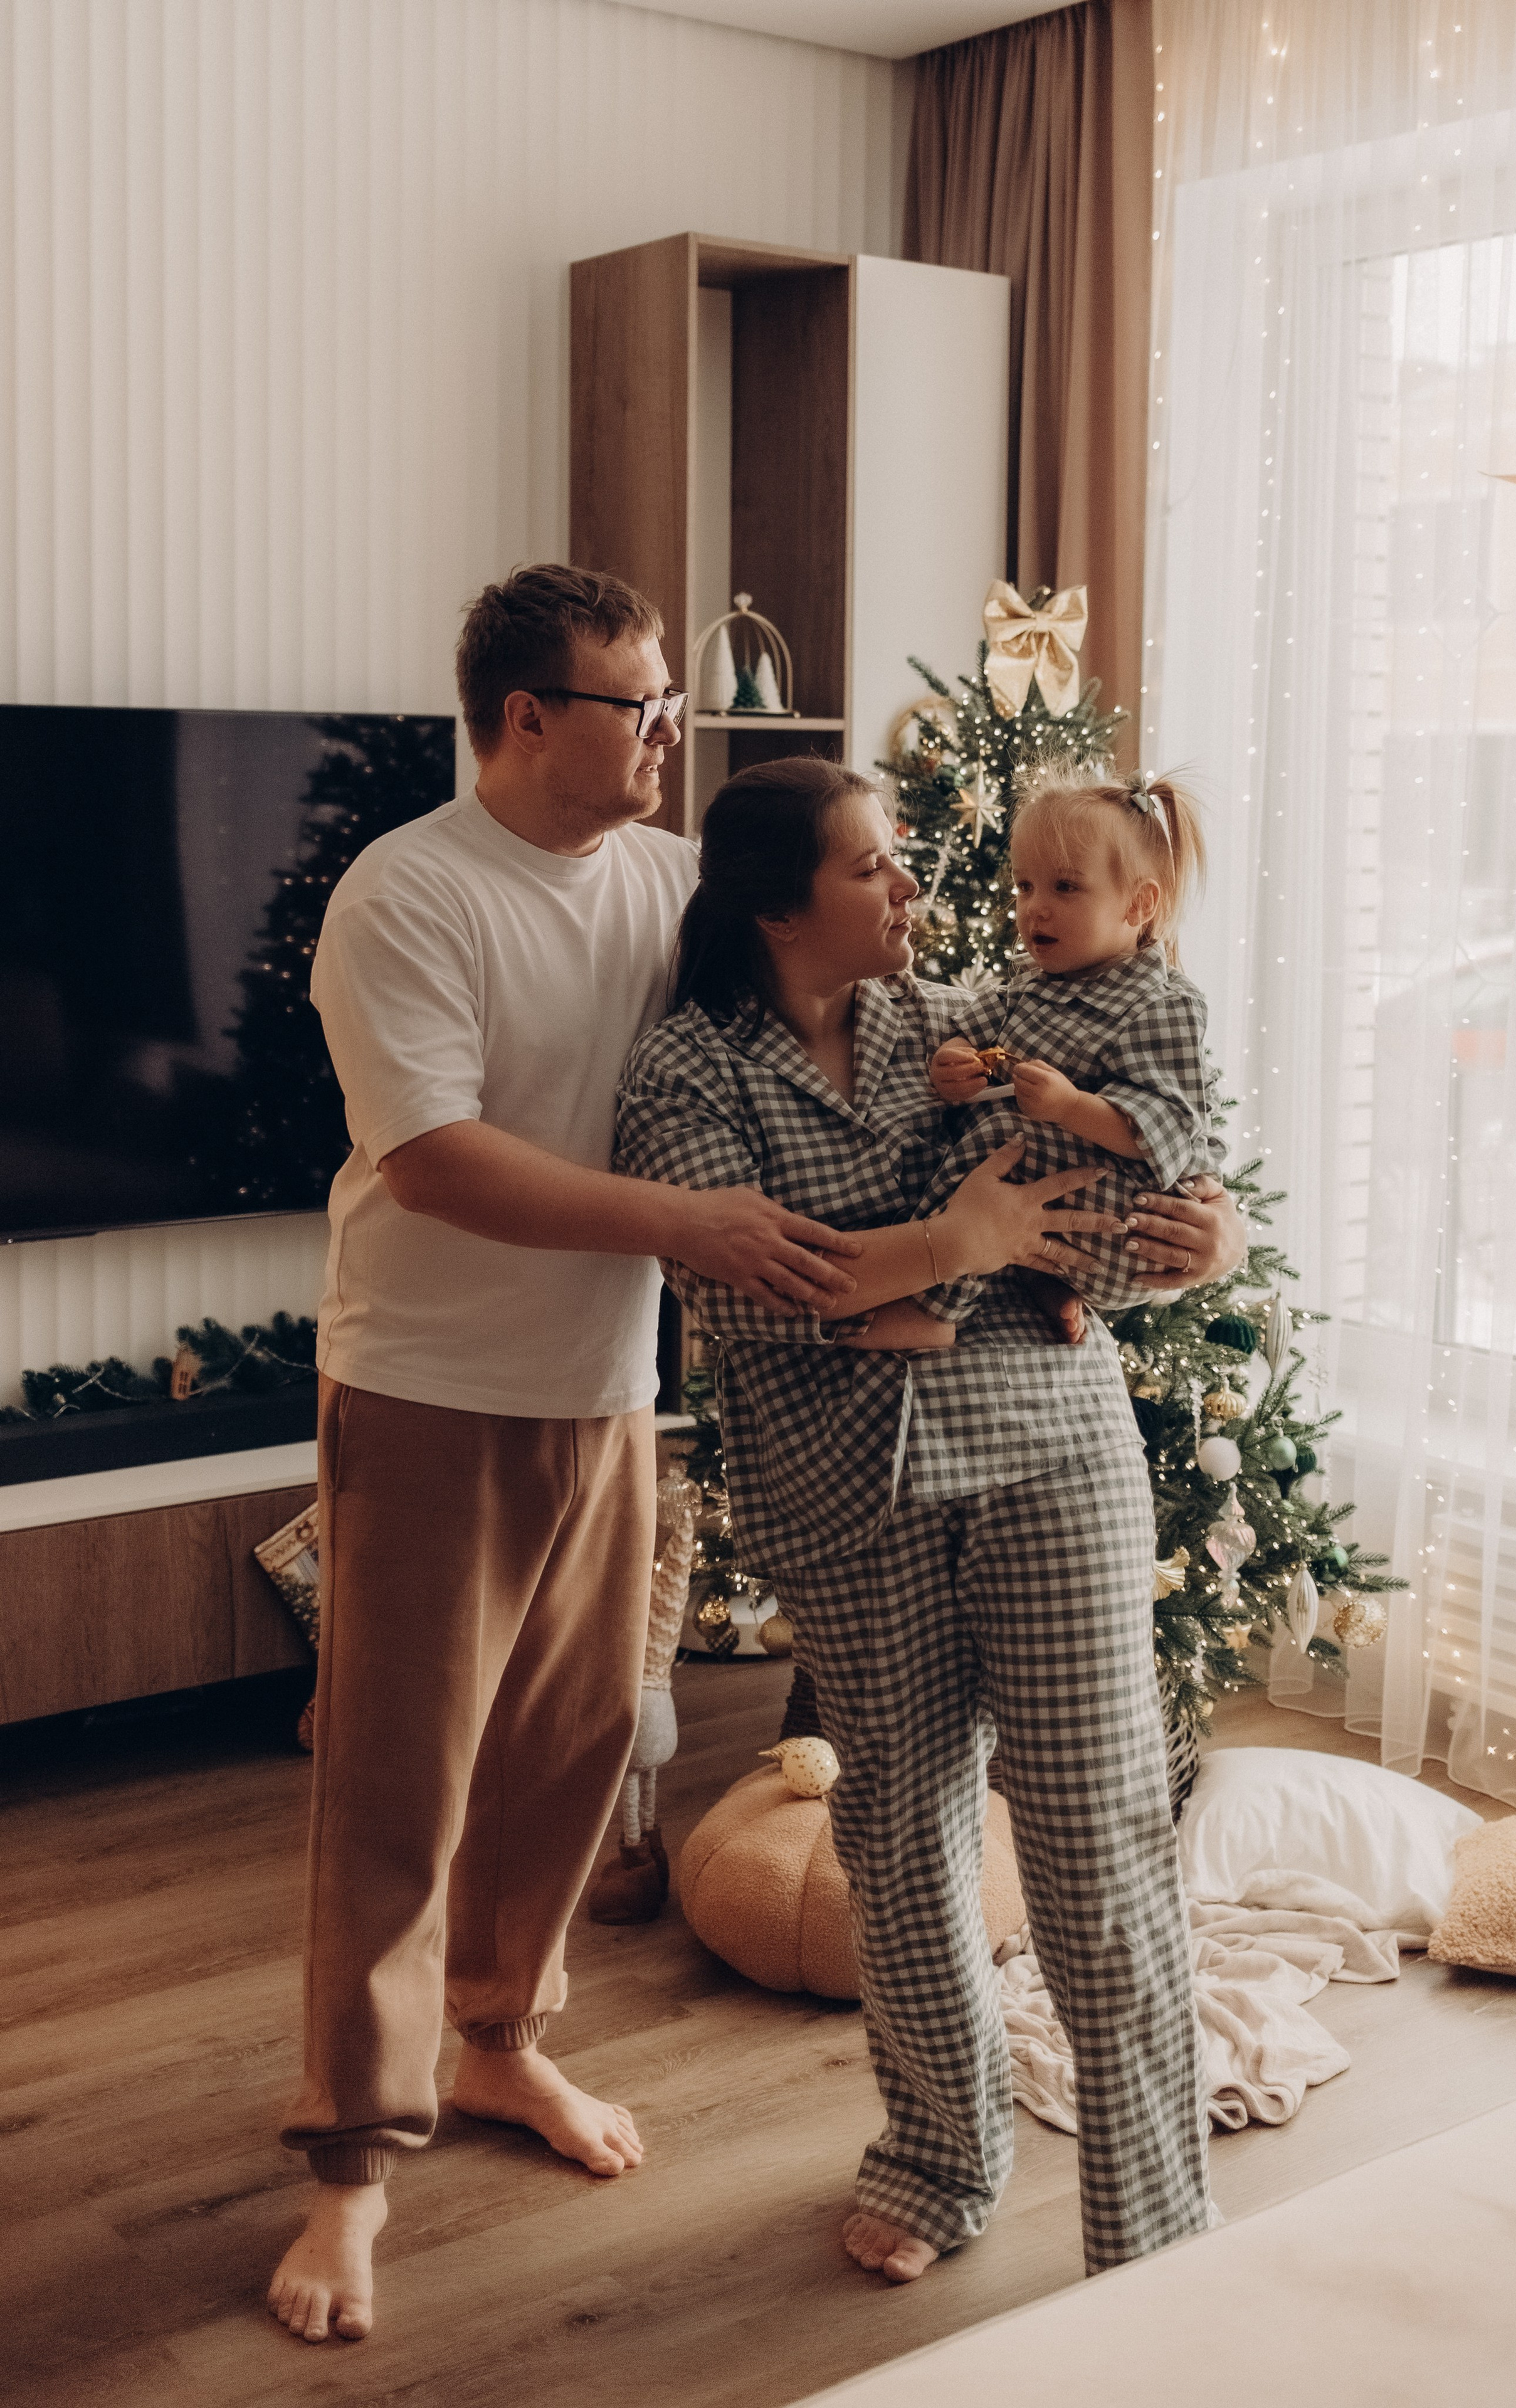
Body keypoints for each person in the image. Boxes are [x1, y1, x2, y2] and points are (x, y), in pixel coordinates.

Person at [268, 564, 878, 2347]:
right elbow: (440, 1158)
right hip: (432, 1388)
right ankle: (349, 2171)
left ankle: (497, 2050)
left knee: (570, 1754)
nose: (674, 730)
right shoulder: (408, 895)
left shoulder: (675, 882)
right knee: (401, 1793)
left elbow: (815, 1008)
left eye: (676, 698)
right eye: (644, 704)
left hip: (608, 1393)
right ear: (530, 720)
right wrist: (692, 1224)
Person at [614, 757, 1246, 2286]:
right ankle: (939, 2146)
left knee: (1098, 1840)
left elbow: (1121, 1150)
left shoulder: (958, 1021)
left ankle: (1156, 2227)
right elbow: (739, 1291)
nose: (913, 887)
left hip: (1050, 1454)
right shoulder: (687, 1073)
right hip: (845, 1497)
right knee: (896, 1835)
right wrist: (957, 1244)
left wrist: (1197, 1231)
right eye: (871, 867)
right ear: (775, 905)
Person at [925, 764, 1217, 1315]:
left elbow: (1170, 1131)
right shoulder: (1027, 986)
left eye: (1065, 887)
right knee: (993, 1136)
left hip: (1124, 1228)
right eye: (1024, 885)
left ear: (1138, 906)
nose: (1035, 906)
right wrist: (954, 1060)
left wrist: (1070, 1106)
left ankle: (934, 1304)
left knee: (1001, 1135)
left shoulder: (1162, 1003)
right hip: (1039, 1217)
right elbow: (969, 1031)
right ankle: (1043, 1282)